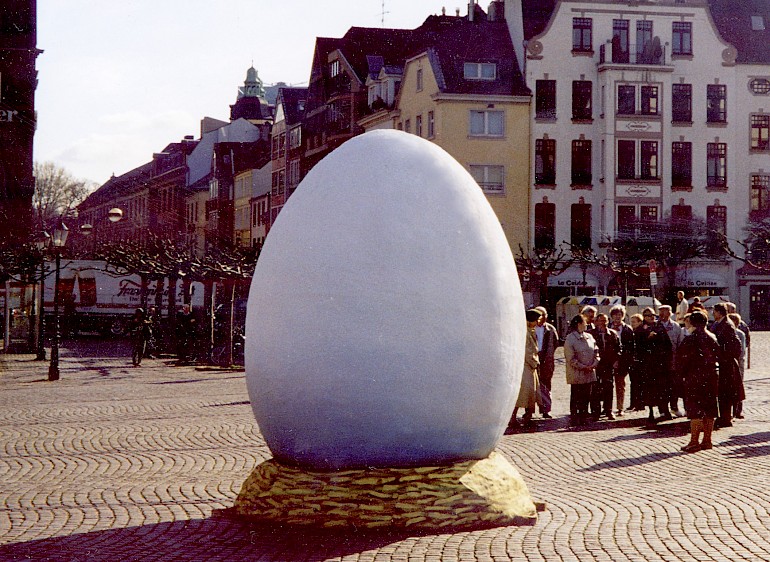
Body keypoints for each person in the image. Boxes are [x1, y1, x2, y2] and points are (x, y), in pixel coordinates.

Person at [676, 311, 720, 452]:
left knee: (694, 410)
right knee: (710, 409)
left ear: (692, 323)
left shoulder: (690, 339)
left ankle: (694, 441)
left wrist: (681, 376)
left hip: (694, 378)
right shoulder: (712, 337)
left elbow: (681, 360)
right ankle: (707, 440)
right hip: (712, 376)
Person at [710, 303, 745, 429]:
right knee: (722, 392)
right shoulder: (719, 324)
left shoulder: (727, 325)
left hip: (727, 364)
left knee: (726, 392)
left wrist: (724, 355)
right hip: (723, 362)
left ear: (720, 312)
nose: (712, 313)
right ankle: (723, 417)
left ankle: (726, 418)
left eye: (714, 311)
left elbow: (736, 345)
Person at [636, 307, 673, 425]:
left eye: (652, 315)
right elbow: (638, 347)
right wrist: (648, 339)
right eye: (648, 315)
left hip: (661, 364)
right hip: (648, 365)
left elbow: (667, 344)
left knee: (664, 389)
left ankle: (665, 410)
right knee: (650, 390)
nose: (651, 317)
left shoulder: (660, 326)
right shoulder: (640, 330)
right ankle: (651, 412)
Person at [564, 314, 599, 427]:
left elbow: (596, 351)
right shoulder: (570, 338)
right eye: (584, 322)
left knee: (586, 396)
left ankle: (583, 416)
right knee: (576, 395)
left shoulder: (589, 336)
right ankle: (575, 417)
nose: (586, 324)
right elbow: (570, 358)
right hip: (577, 373)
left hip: (589, 371)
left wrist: (594, 363)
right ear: (579, 324)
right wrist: (583, 366)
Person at [510, 309, 542, 430]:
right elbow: (527, 351)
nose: (537, 322)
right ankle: (513, 418)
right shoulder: (525, 333)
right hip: (526, 367)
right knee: (523, 394)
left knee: (531, 394)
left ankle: (528, 417)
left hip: (530, 367)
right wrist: (534, 362)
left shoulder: (531, 331)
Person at [589, 313, 621, 420]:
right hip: (596, 365)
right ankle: (595, 412)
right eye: (601, 321)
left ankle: (608, 410)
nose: (603, 323)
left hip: (608, 365)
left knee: (608, 388)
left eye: (605, 321)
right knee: (595, 388)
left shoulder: (612, 334)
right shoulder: (591, 334)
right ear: (596, 322)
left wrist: (616, 360)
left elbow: (618, 349)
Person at [658, 305, 685, 417]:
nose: (663, 315)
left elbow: (680, 343)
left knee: (674, 386)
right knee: (662, 387)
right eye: (661, 312)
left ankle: (674, 406)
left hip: (673, 362)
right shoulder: (655, 326)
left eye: (665, 312)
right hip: (660, 363)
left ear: (670, 313)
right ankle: (663, 410)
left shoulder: (676, 326)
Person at [534, 306, 559, 419]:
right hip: (533, 359)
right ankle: (529, 411)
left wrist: (548, 355)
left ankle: (546, 410)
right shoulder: (530, 328)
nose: (541, 317)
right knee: (531, 385)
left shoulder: (550, 329)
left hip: (546, 360)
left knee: (546, 385)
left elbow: (556, 343)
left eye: (544, 315)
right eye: (539, 315)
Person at [609, 305, 634, 416]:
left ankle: (620, 407)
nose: (617, 317)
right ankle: (607, 408)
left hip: (622, 362)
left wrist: (625, 361)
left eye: (619, 315)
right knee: (607, 386)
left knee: (620, 385)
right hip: (608, 362)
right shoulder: (607, 327)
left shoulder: (627, 329)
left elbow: (630, 348)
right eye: (615, 315)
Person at [728, 312, 747, 420]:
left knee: (739, 387)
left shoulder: (740, 334)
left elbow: (742, 351)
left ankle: (738, 410)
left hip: (738, 364)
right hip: (734, 364)